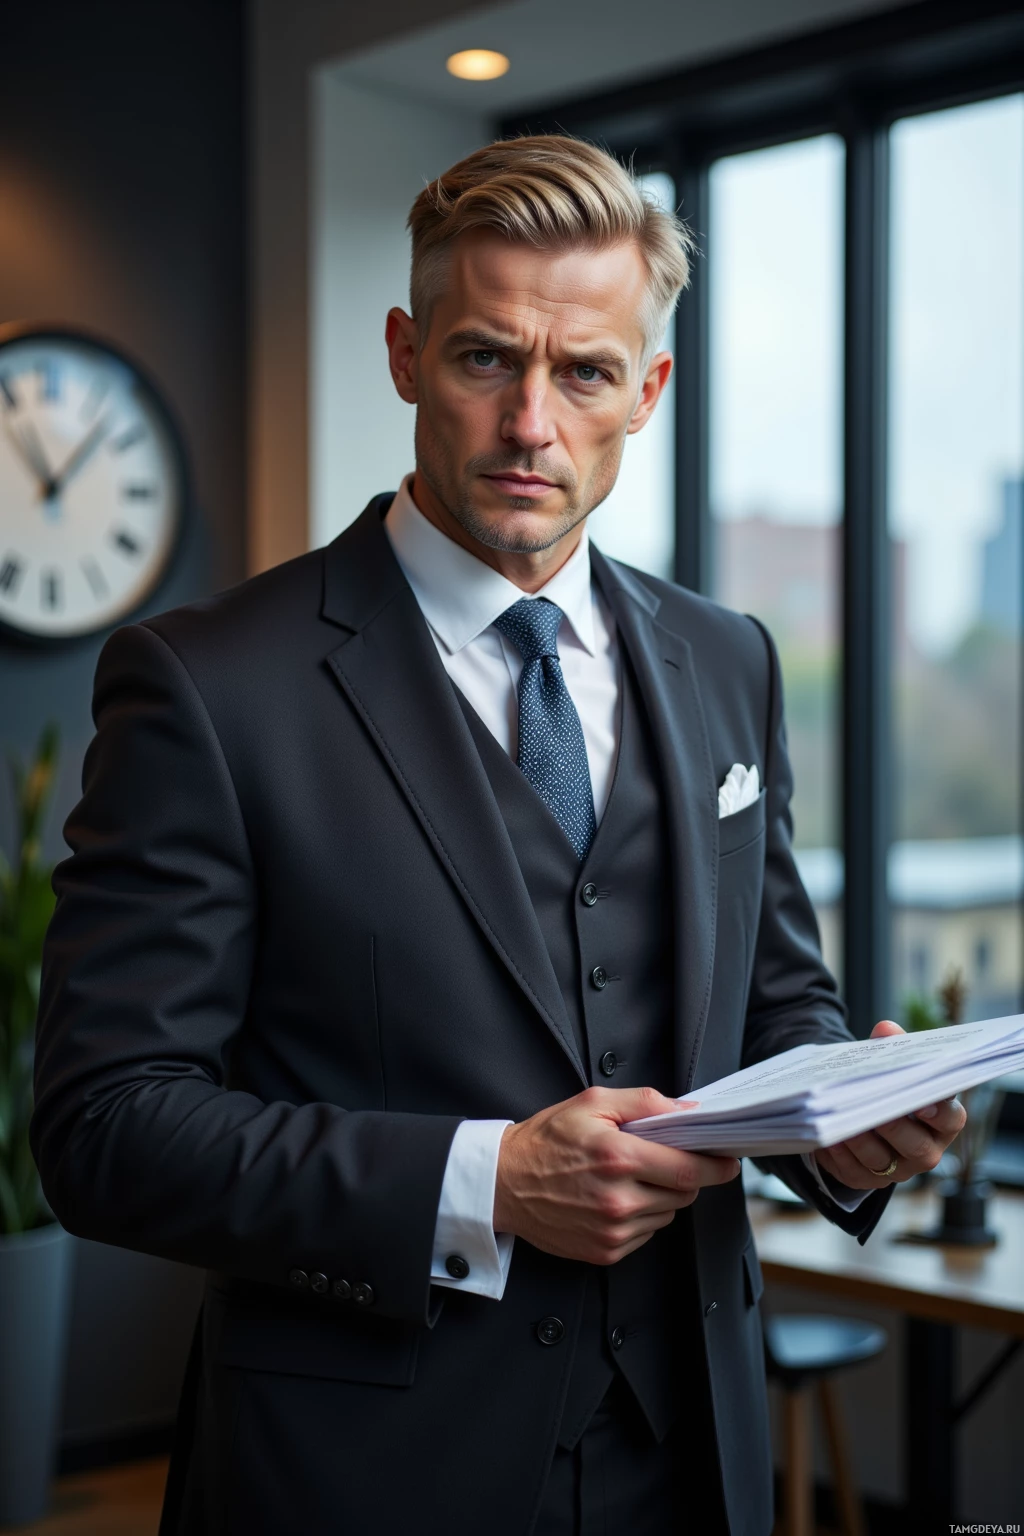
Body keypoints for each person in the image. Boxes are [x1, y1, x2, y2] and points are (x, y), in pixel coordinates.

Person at [32, 135, 965, 1536]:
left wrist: (842, 1127)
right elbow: (104, 1127)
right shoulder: (206, 683)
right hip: (354, 1478)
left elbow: (775, 998)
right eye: (485, 360)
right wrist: (484, 1182)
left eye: (584, 372)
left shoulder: (728, 660)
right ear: (407, 355)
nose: (532, 421)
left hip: (694, 1460)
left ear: (645, 391)